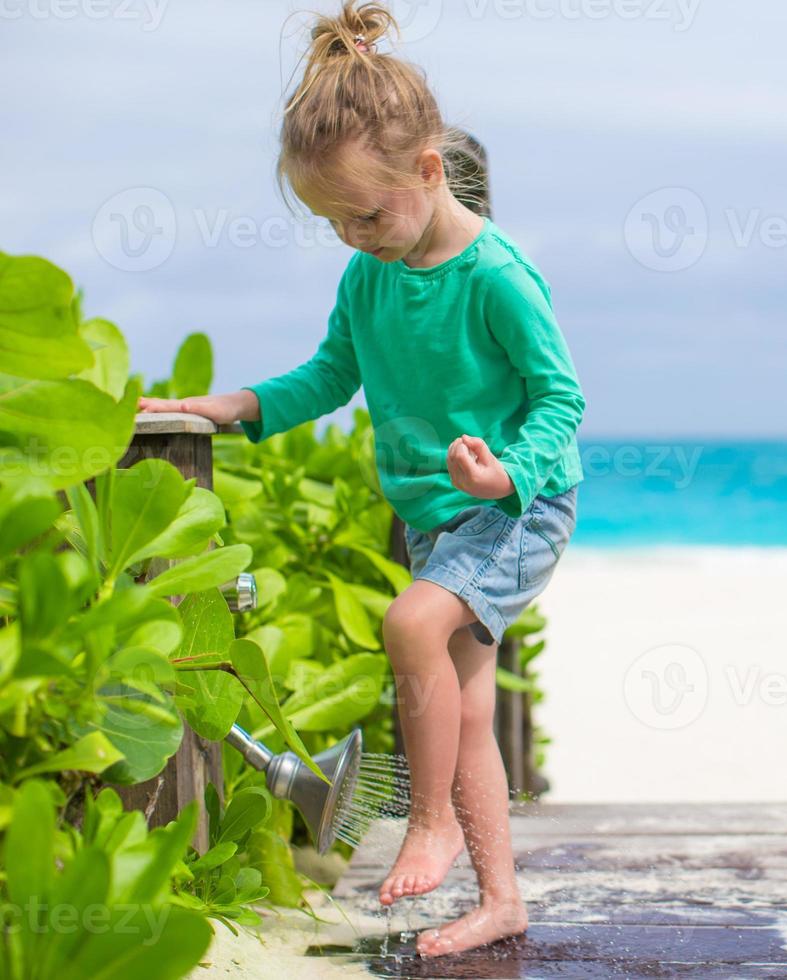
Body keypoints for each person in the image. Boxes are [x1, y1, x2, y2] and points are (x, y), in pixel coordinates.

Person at [137, 0, 584, 957]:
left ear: (430, 171)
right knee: (464, 706)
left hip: (519, 505)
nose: (353, 236)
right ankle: (500, 899)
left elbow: (561, 401)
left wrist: (508, 471)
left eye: (367, 214)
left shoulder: (497, 276)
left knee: (410, 623)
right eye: (333, 221)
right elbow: (331, 376)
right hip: (437, 516)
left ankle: (427, 823)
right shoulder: (369, 276)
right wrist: (239, 407)